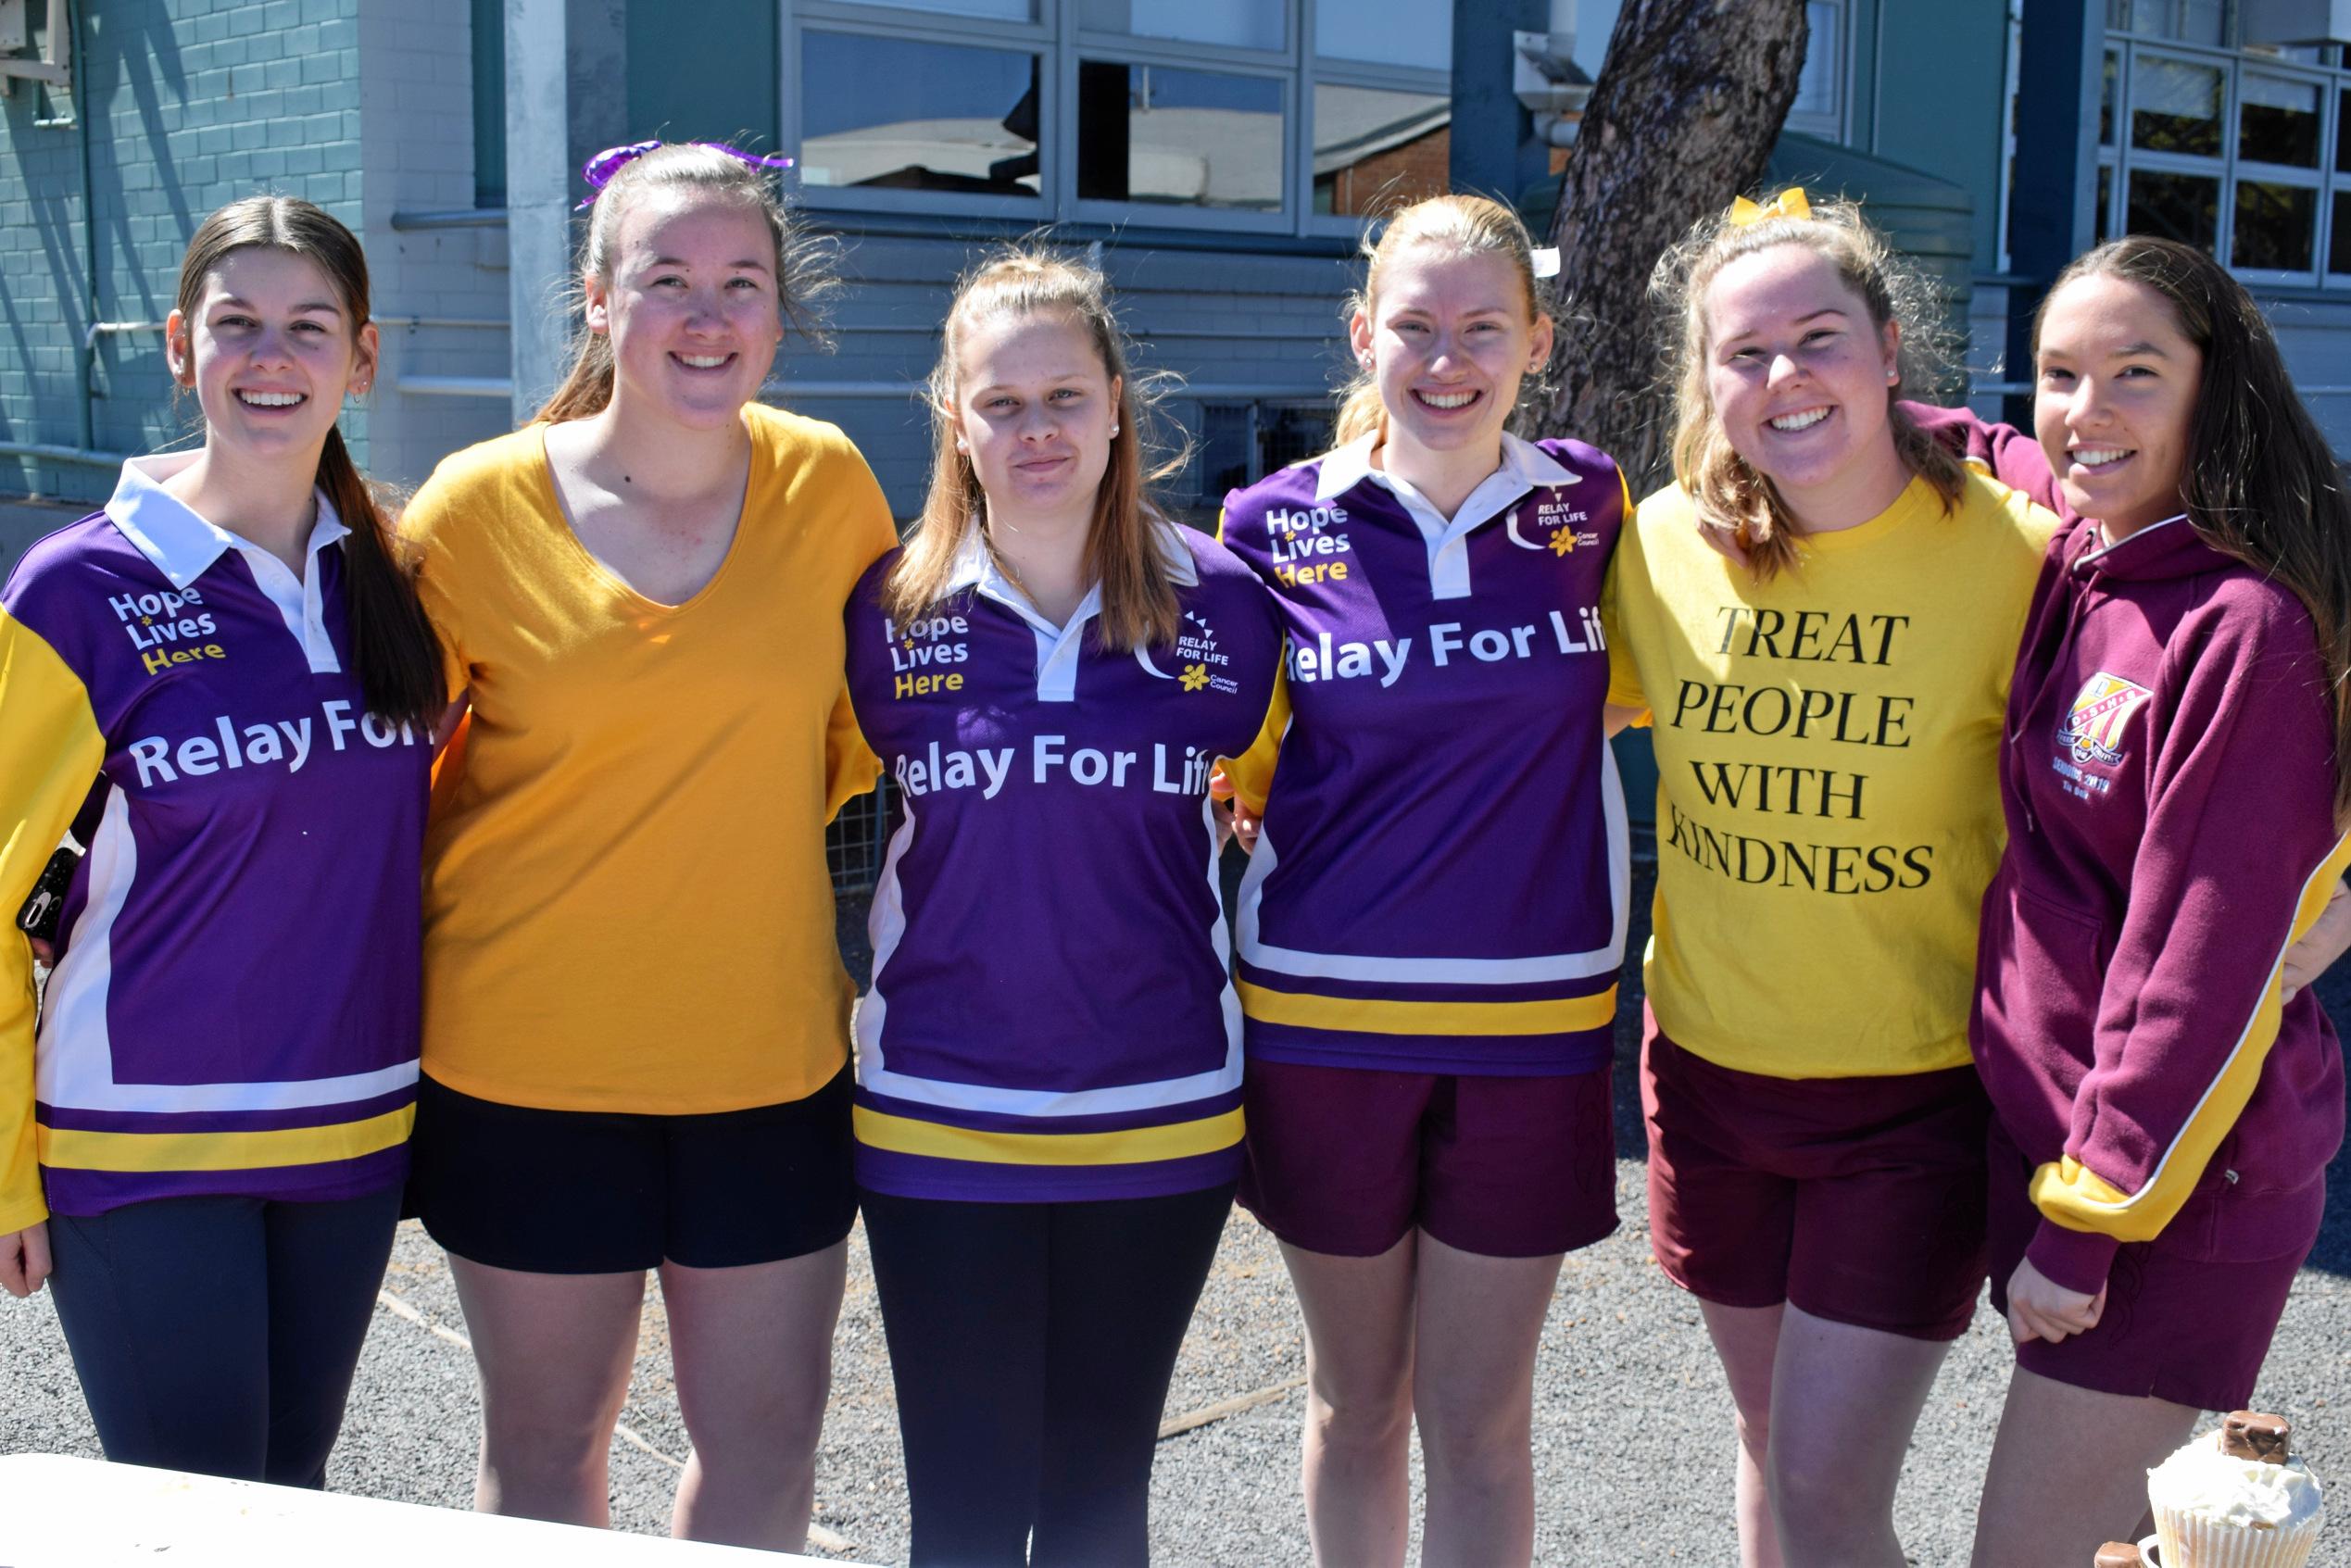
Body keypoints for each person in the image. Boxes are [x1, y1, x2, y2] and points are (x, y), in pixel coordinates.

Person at [396, 142, 895, 1551]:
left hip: (766, 1060)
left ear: (778, 317)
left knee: (763, 1455)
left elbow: (852, 740)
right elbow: (385, 776)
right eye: (665, 278)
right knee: (547, 1452)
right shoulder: (471, 509)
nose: (705, 314)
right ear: (599, 301)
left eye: (740, 283)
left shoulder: (831, 487)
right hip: (522, 1066)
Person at [1603, 191, 2060, 1568]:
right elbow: (1506, 723)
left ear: (1886, 350)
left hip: (1909, 1094)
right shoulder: (1658, 545)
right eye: (1743, 353)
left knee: (1819, 1485)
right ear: (1703, 380)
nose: (1783, 378)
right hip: (1707, 1076)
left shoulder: (2022, 555)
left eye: (1817, 339)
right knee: (1773, 1464)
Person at [841, 248, 1284, 1566]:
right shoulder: (884, 607)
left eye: (1062, 397)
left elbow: (1312, 780)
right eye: (1000, 402)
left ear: (1112, 408)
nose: (1035, 429)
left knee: (1099, 1505)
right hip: (938, 1107)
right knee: (963, 1515)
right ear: (955, 421)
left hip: (1158, 1103)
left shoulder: (1227, 605)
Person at [1214, 193, 1630, 1568]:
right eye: (1413, 325)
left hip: (1533, 1032)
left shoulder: (1593, 503)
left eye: (1480, 328)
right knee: (1356, 1398)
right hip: (1325, 1029)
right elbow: (1230, 756)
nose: (1444, 357)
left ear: (1536, 341)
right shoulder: (1270, 524)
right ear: (1360, 334)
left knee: (1481, 1418)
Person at [0, 195, 443, 1486]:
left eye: (309, 327)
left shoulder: (396, 582)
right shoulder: (75, 590)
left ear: (361, 357)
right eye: (235, 323)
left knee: (291, 1506)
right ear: (180, 350)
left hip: (351, 1138)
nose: (272, 356)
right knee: (197, 1523)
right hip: (144, 1143)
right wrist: (6, 1173)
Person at [1965, 237, 2351, 1566]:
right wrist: (1847, 388)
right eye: (2058, 374)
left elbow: (2195, 959)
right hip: (2087, 1162)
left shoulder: (2241, 622)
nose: (2085, 409)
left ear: (2214, 386)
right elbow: (2002, 450)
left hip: (2174, 1192)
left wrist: (2088, 1221)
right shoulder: (2091, 553)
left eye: (2136, 371)